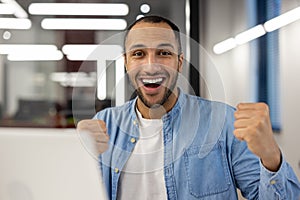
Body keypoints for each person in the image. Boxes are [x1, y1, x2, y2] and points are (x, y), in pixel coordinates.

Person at [77, 15, 300, 200]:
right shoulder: (105, 124)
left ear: (179, 63)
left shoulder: (223, 121)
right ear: (126, 62)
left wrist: (271, 156)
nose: (151, 65)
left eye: (164, 53)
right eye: (138, 54)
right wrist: (75, 152)